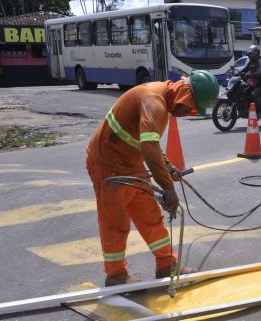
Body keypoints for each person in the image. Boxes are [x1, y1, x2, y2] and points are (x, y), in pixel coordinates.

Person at [85, 70, 220, 286]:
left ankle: (167, 265)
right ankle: (116, 275)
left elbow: (150, 143)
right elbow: (148, 146)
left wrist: (168, 167)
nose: (186, 112)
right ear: (185, 93)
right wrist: (168, 188)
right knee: (115, 221)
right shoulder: (153, 101)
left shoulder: (161, 102)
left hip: (130, 163)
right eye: (188, 107)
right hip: (107, 164)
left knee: (150, 215)